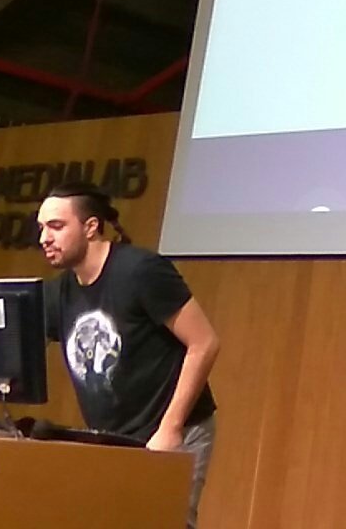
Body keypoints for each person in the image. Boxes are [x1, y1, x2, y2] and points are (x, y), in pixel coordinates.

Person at [38, 182, 219, 529]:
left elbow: (204, 343)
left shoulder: (140, 271)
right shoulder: (57, 293)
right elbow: (14, 354)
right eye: (42, 227)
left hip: (174, 429)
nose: (44, 238)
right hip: (113, 438)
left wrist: (171, 428)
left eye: (56, 226)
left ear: (91, 227)